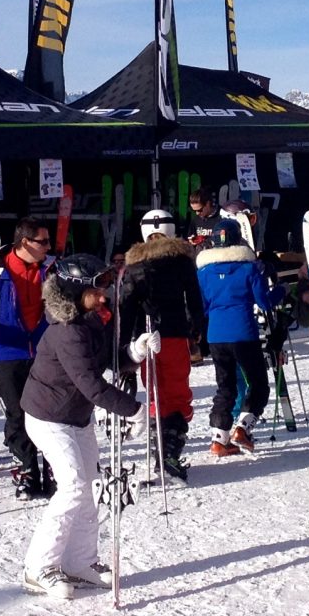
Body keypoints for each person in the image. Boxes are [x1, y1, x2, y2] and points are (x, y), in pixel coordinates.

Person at [19, 252, 143, 598]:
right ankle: (38, 566)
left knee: (89, 486)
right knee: (73, 485)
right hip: (48, 418)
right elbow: (92, 384)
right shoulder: (66, 332)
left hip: (75, 416)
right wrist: (133, 410)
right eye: (97, 288)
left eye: (105, 285)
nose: (103, 295)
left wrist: (134, 353)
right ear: (75, 291)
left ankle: (80, 562)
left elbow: (105, 361)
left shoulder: (89, 320)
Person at [116, 206, 205, 480]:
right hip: (175, 334)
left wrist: (123, 348)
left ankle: (160, 450)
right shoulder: (181, 260)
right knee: (176, 392)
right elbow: (194, 299)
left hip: (145, 338)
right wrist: (197, 330)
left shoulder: (133, 266)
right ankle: (170, 451)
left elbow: (126, 307)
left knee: (155, 391)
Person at [0, 217, 52, 497]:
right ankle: (26, 469)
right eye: (43, 241)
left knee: (49, 412)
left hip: (44, 350)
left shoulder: (51, 268)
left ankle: (53, 466)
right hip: (6, 351)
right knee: (17, 414)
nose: (49, 247)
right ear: (25, 242)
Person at [196, 219, 271, 457]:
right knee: (258, 383)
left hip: (216, 335)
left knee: (225, 386)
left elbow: (203, 306)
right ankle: (243, 429)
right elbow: (264, 302)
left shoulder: (204, 271)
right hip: (244, 333)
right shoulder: (249, 268)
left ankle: (219, 439)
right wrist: (281, 292)